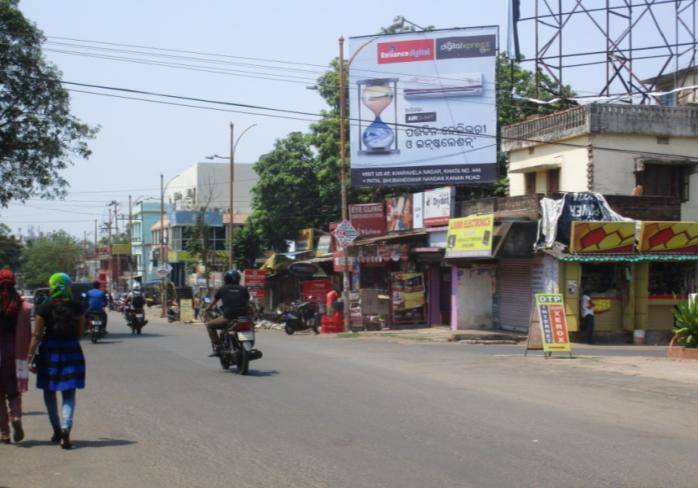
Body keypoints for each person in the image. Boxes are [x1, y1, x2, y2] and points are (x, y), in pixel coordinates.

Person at [28, 273, 86, 450]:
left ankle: (56, 429)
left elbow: (37, 335)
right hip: (71, 350)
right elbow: (80, 333)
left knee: (49, 391)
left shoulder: (44, 307)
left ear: (52, 286)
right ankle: (66, 427)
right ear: (68, 286)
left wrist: (29, 356)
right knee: (69, 392)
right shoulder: (77, 307)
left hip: (49, 352)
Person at [0, 270, 31, 444]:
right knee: (14, 393)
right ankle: (16, 418)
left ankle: (4, 433)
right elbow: (27, 333)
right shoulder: (24, 307)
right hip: (15, 355)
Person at [205, 271, 249, 356]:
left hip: (228, 318)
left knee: (210, 325)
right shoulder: (243, 289)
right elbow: (247, 303)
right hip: (243, 317)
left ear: (226, 279)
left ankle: (218, 346)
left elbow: (213, 302)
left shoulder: (223, 289)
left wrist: (208, 308)